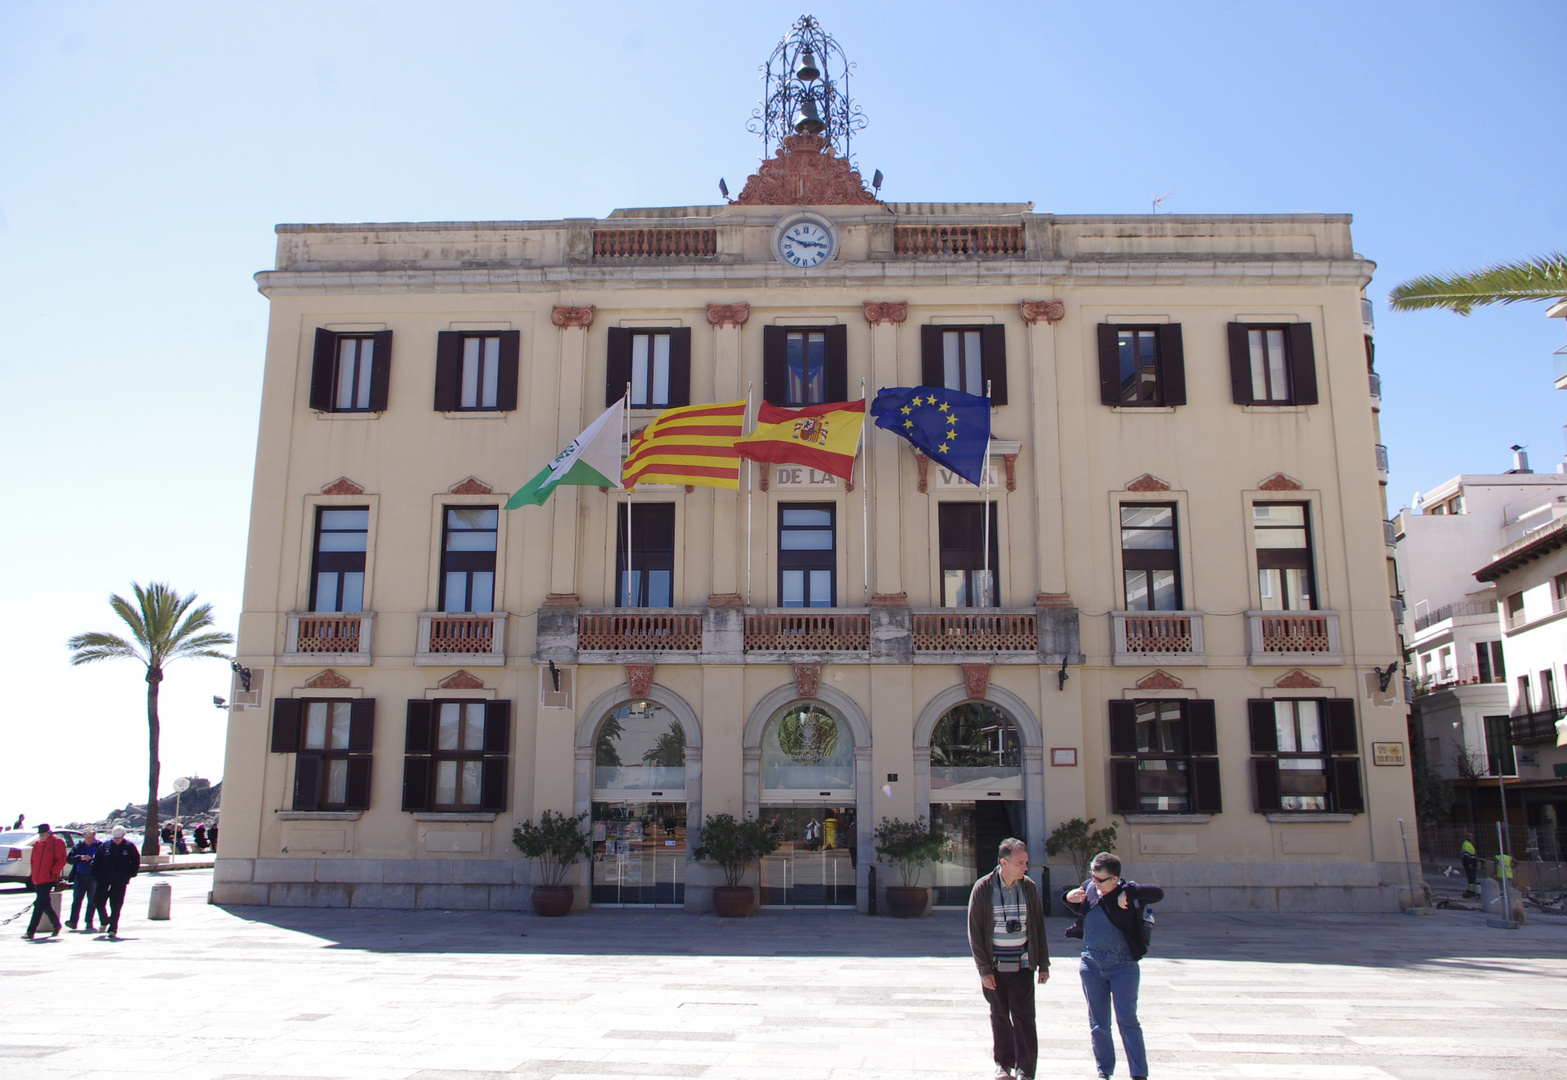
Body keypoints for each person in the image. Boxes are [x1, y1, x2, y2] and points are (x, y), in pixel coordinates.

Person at [1063, 853, 1163, 1080]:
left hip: (1123, 967)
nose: (1094, 883)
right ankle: (1104, 1071)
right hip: (1091, 965)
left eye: (1101, 880)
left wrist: (1128, 893)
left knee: (1127, 1021)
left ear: (1116, 879)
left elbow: (1157, 892)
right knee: (1098, 1024)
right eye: (1093, 876)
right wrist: (1068, 896)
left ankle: (1138, 1074)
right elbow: (1077, 908)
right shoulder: (1089, 888)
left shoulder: (1126, 891)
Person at [967, 837, 1049, 1080]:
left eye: (1026, 862)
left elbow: (1039, 928)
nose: (1025, 867)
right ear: (1004, 862)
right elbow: (974, 932)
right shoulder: (983, 888)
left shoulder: (1029, 887)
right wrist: (984, 970)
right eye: (1020, 862)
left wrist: (1043, 963)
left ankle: (1026, 1070)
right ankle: (1003, 1065)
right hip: (994, 966)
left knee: (1024, 1016)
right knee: (1000, 1014)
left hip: (1023, 964)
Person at [93, 825, 141, 940]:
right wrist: (96, 874)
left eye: (118, 838)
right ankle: (105, 920)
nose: (116, 840)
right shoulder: (105, 846)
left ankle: (113, 928)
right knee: (98, 901)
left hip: (120, 881)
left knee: (116, 905)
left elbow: (135, 861)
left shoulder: (129, 847)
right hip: (103, 879)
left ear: (123, 836)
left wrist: (130, 874)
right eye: (114, 838)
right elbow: (97, 861)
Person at [24, 823, 68, 940]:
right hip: (37, 878)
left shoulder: (57, 842)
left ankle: (30, 931)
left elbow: (61, 860)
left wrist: (52, 872)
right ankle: (56, 924)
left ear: (49, 832)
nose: (42, 835)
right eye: (40, 834)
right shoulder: (37, 844)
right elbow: (33, 860)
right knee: (45, 904)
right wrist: (33, 876)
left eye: (44, 833)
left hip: (48, 878)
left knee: (38, 905)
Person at [65, 828, 105, 931]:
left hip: (93, 876)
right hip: (80, 876)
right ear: (84, 836)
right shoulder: (79, 846)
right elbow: (69, 859)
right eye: (87, 837)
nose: (89, 839)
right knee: (77, 900)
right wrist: (81, 857)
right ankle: (73, 921)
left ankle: (89, 922)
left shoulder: (99, 846)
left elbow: (105, 859)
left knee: (92, 900)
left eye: (91, 837)